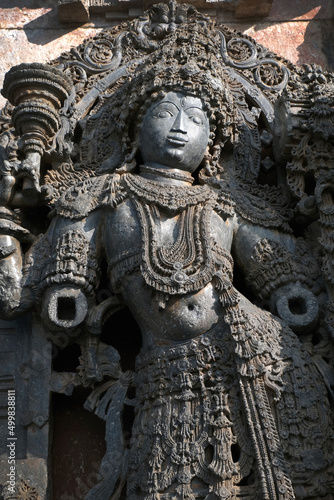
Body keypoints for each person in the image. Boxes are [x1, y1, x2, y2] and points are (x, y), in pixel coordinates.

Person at [0, 24, 333, 500]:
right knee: (165, 484)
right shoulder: (103, 198)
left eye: (196, 118)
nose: (180, 126)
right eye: (166, 112)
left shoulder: (224, 207)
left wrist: (292, 290)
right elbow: (23, 295)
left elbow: (290, 282)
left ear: (213, 144)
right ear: (135, 128)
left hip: (256, 356)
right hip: (169, 368)